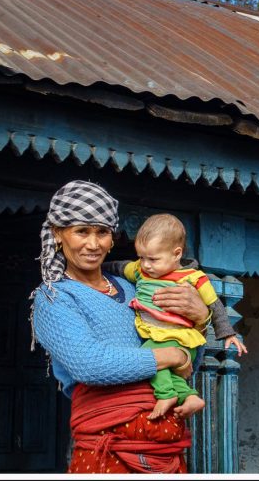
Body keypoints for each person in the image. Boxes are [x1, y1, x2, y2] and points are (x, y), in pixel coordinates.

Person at [30, 180, 211, 474]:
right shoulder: (54, 298)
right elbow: (90, 365)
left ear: (112, 238)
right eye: (81, 231)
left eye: (102, 232)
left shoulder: (136, 286)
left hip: (164, 448)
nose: (93, 243)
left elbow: (190, 361)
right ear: (57, 234)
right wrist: (171, 356)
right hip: (107, 449)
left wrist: (201, 319)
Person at [105, 213, 247, 420]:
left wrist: (227, 333)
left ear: (176, 253)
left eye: (153, 259)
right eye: (141, 257)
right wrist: (99, 268)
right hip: (156, 335)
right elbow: (117, 267)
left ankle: (166, 395)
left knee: (148, 358)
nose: (145, 264)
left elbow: (214, 305)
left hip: (179, 337)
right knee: (168, 372)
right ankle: (189, 397)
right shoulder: (140, 271)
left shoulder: (193, 278)